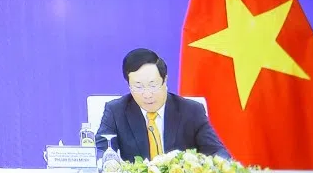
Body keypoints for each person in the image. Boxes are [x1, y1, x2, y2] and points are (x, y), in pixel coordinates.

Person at [96, 48, 230, 162]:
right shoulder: (116, 111)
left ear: (165, 80)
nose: (147, 94)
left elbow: (216, 151)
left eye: (153, 85)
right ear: (129, 85)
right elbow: (100, 151)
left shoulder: (191, 110)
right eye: (138, 87)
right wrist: (109, 163)